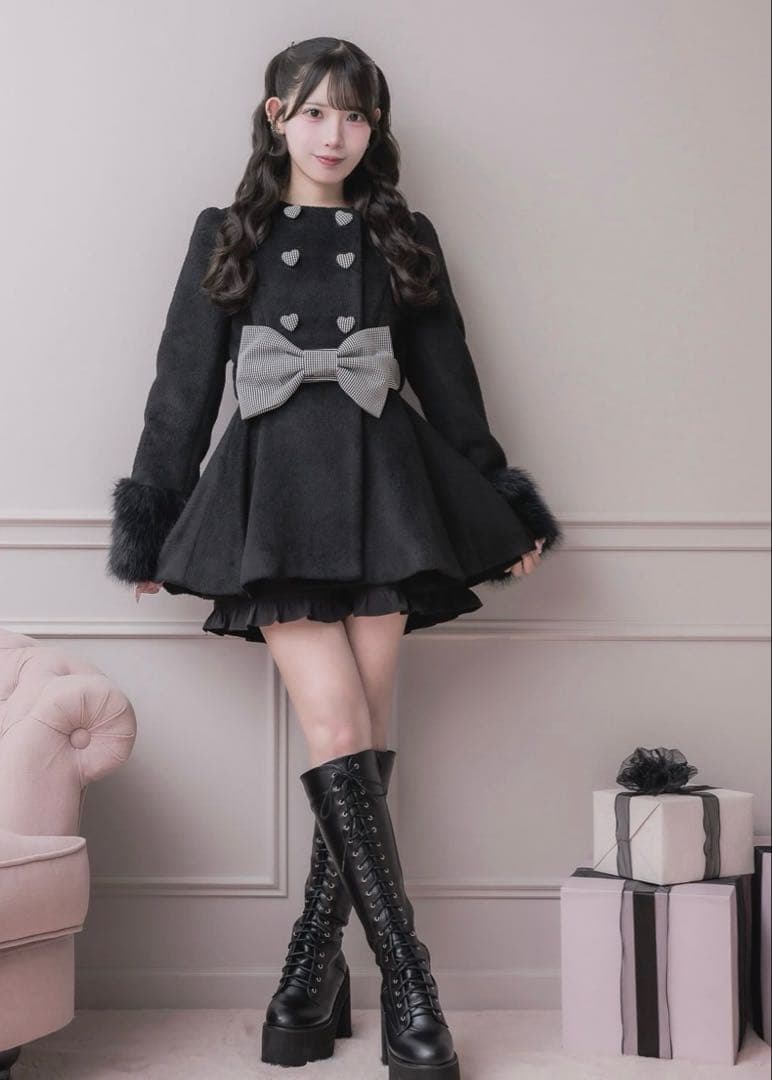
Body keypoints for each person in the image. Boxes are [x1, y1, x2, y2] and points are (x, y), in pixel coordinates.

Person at [106, 36, 562, 1077]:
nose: (335, 133)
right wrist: (154, 515)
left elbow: (450, 379)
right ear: (276, 117)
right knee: (338, 724)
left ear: (374, 127)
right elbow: (181, 387)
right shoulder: (228, 232)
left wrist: (501, 501)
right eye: (315, 112)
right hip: (271, 496)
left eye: (355, 115)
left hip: (385, 490)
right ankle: (410, 982)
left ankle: (308, 973)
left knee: (358, 735)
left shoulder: (402, 233)